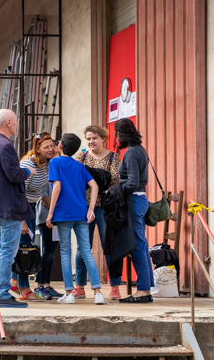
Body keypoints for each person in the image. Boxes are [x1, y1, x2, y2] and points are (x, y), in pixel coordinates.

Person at [46, 132, 106, 305]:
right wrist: (91, 209)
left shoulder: (55, 162)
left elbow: (56, 187)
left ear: (60, 146)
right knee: (86, 251)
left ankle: (69, 293)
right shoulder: (79, 165)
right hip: (81, 213)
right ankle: (98, 293)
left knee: (66, 252)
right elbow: (94, 185)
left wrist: (50, 213)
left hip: (63, 214)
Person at [0, 109, 33, 308]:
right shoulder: (5, 145)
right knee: (7, 251)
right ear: (9, 122)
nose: (18, 124)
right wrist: (28, 170)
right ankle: (1, 293)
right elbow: (14, 174)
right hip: (9, 208)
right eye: (17, 121)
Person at [75, 125, 123, 300]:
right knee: (82, 247)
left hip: (105, 208)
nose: (91, 141)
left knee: (108, 246)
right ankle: (80, 285)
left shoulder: (113, 158)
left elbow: (117, 182)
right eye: (88, 138)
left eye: (94, 138)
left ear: (103, 138)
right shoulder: (81, 157)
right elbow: (74, 178)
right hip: (84, 208)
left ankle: (115, 285)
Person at [114, 118, 155, 303]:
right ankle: (146, 289)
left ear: (121, 134)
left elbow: (132, 182)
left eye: (117, 134)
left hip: (134, 201)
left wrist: (114, 190)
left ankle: (143, 290)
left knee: (137, 246)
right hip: (141, 199)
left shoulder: (130, 153)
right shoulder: (140, 149)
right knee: (142, 245)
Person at [17, 132, 58, 301]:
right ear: (37, 149)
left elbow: (42, 193)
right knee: (24, 247)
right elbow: (19, 193)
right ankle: (24, 289)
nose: (50, 149)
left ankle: (15, 281)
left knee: (26, 245)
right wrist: (24, 221)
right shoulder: (28, 164)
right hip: (21, 207)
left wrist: (54, 212)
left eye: (52, 146)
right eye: (46, 147)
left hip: (32, 207)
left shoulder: (47, 165)